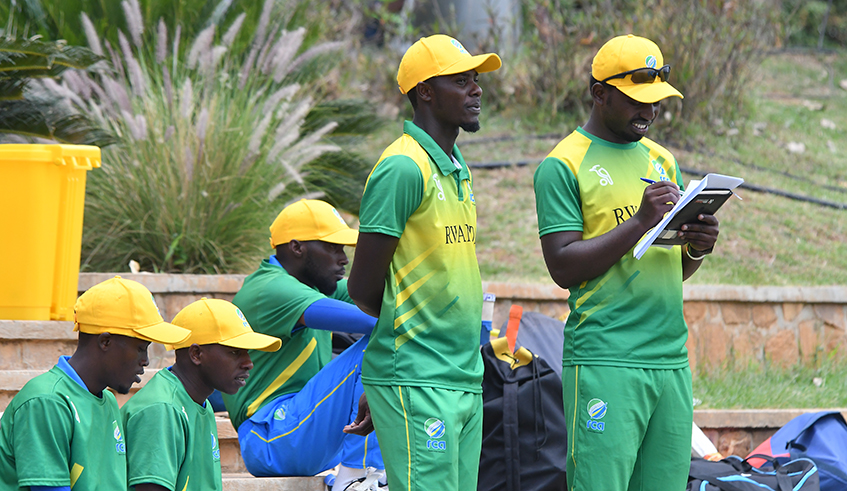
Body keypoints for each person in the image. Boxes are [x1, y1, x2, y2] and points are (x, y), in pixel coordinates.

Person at [533, 34, 721, 491]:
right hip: (606, 359)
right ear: (600, 94)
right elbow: (562, 266)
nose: (650, 111)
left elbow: (669, 267)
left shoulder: (662, 160)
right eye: (638, 100)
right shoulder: (563, 165)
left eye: (657, 101)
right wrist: (639, 220)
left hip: (669, 360)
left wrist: (695, 246)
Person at [347, 34, 501, 491]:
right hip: (418, 377)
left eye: (475, 80)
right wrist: (399, 364)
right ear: (426, 92)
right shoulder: (402, 168)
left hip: (462, 375)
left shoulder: (457, 168)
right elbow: (363, 287)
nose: (476, 90)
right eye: (461, 80)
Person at [223, 198, 385, 490]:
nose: (344, 259)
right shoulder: (271, 287)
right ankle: (359, 474)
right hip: (271, 435)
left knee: (401, 337)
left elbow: (387, 301)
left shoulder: (313, 285)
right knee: (381, 341)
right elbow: (379, 322)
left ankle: (366, 471)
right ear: (297, 247)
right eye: (332, 248)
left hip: (298, 429)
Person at [0, 276, 190, 491]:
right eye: (140, 347)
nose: (145, 360)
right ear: (105, 341)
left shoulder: (107, 400)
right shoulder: (47, 401)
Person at [121, 298, 281, 491]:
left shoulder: (198, 402)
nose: (248, 362)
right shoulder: (162, 409)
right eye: (234, 352)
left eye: (246, 352)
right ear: (196, 354)